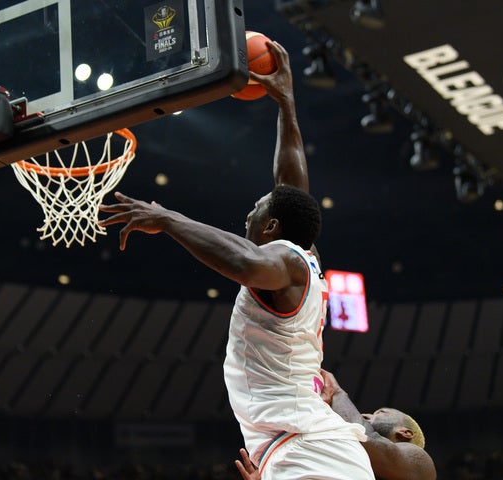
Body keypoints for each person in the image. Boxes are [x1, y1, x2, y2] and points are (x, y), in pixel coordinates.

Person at [98, 41, 373, 480]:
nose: (249, 214)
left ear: (271, 228)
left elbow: (244, 261)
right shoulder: (303, 259)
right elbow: (291, 187)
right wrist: (286, 105)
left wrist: (168, 218)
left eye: (256, 211)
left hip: (308, 452)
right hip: (309, 449)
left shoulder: (284, 263)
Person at [234, 368, 437, 480]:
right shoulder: (346, 459)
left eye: (380, 413)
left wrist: (338, 394)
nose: (365, 416)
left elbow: (372, 442)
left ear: (405, 433)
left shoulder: (420, 465)